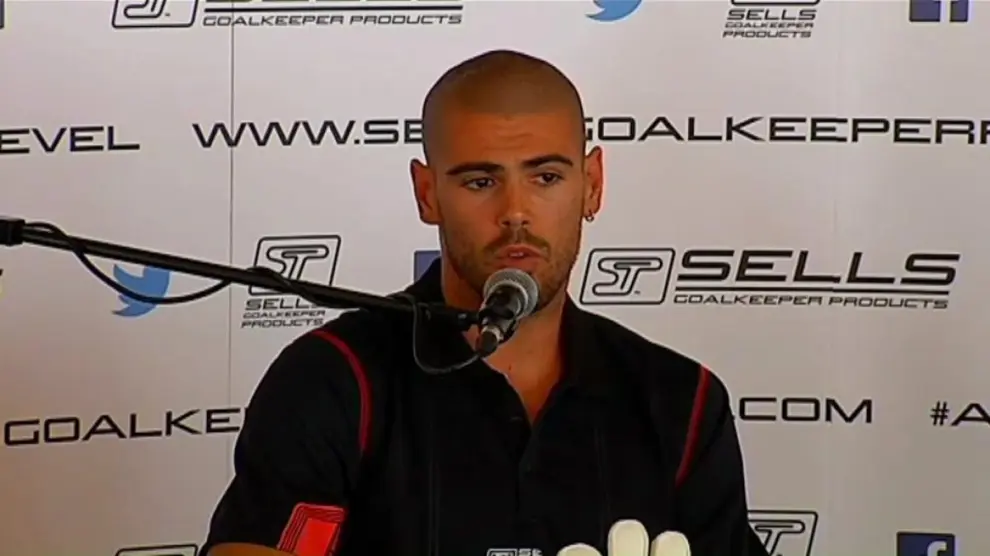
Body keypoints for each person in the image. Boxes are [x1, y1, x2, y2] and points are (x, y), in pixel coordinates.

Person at [202, 49, 769, 556]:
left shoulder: (681, 400)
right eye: (480, 182)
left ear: (592, 183)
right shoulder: (333, 377)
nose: (515, 211)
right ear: (428, 193)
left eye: (546, 177)